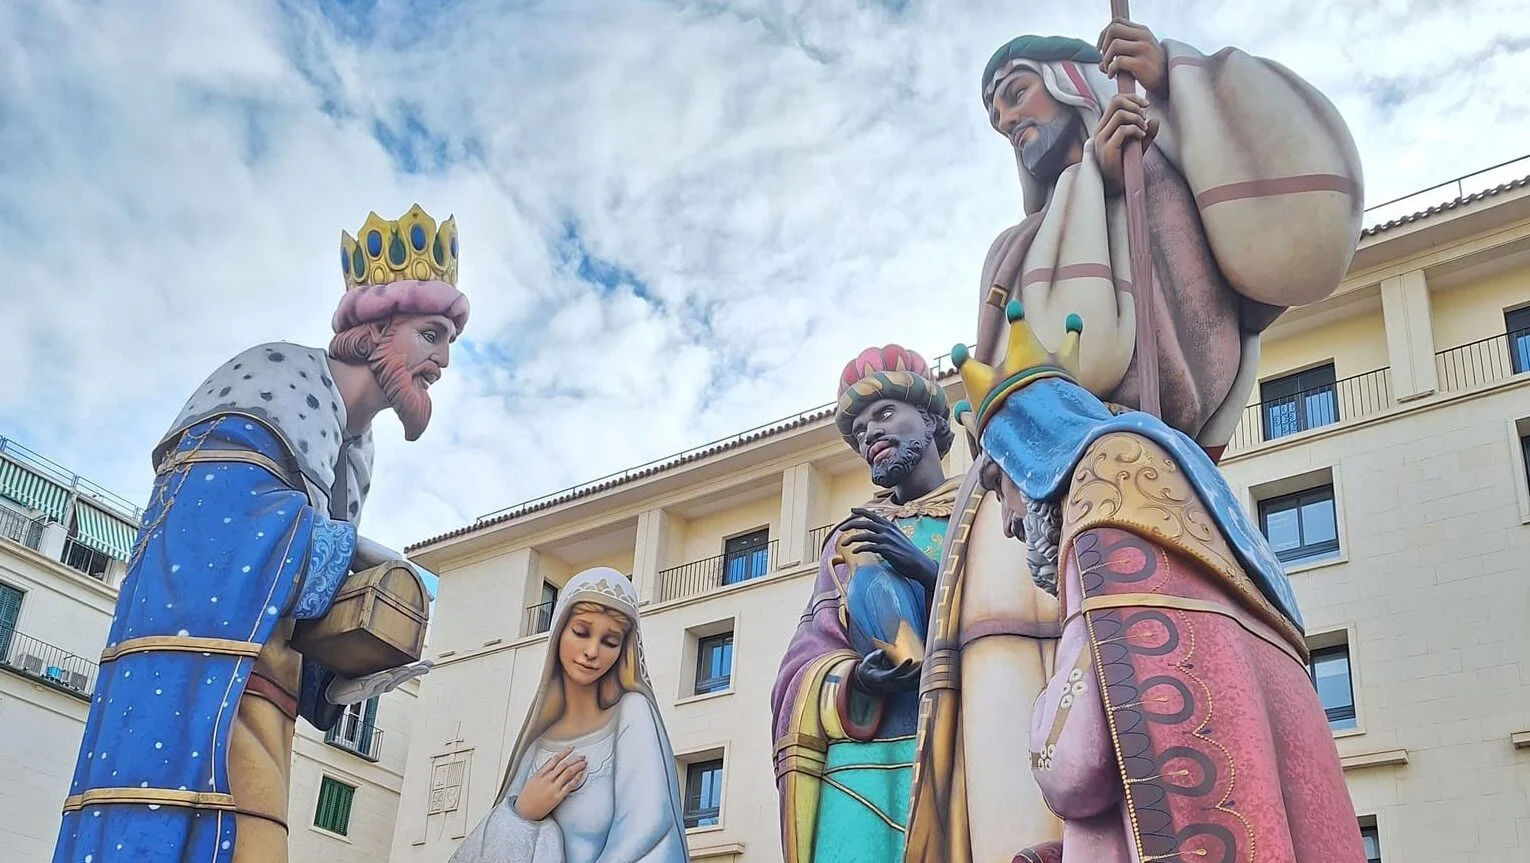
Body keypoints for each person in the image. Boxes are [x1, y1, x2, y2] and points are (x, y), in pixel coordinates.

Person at [52, 204, 469, 863]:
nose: (443, 358)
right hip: (195, 698)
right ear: (381, 325)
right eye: (432, 333)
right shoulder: (270, 386)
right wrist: (360, 556)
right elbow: (213, 530)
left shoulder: (351, 447)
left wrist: (348, 665)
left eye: (449, 340)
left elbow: (296, 596)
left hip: (259, 701)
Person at [953, 301, 1366, 862]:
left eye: (1003, 485)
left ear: (1032, 454)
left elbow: (1073, 764)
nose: (1008, 524)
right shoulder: (1214, 522)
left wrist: (1042, 713)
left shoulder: (1104, 495)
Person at [976, 20, 1364, 460]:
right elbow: (1009, 399)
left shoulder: (1170, 161)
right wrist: (1095, 180)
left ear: (1070, 84)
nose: (1006, 120)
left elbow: (1276, 238)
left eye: (1017, 93)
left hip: (1182, 458)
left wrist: (1170, 77)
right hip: (1079, 469)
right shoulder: (1014, 251)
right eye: (996, 116)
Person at [772, 345, 965, 863]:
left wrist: (926, 569)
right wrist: (856, 680)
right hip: (864, 757)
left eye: (884, 414)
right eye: (858, 431)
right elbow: (808, 651)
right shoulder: (849, 541)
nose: (871, 435)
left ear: (928, 420)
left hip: (964, 743)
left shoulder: (981, 508)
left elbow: (1025, 609)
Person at [451, 567, 690, 863]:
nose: (592, 651)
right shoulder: (537, 749)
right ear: (559, 632)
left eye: (609, 642)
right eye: (581, 632)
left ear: (622, 651)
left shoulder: (632, 713)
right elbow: (489, 846)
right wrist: (523, 813)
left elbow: (648, 825)